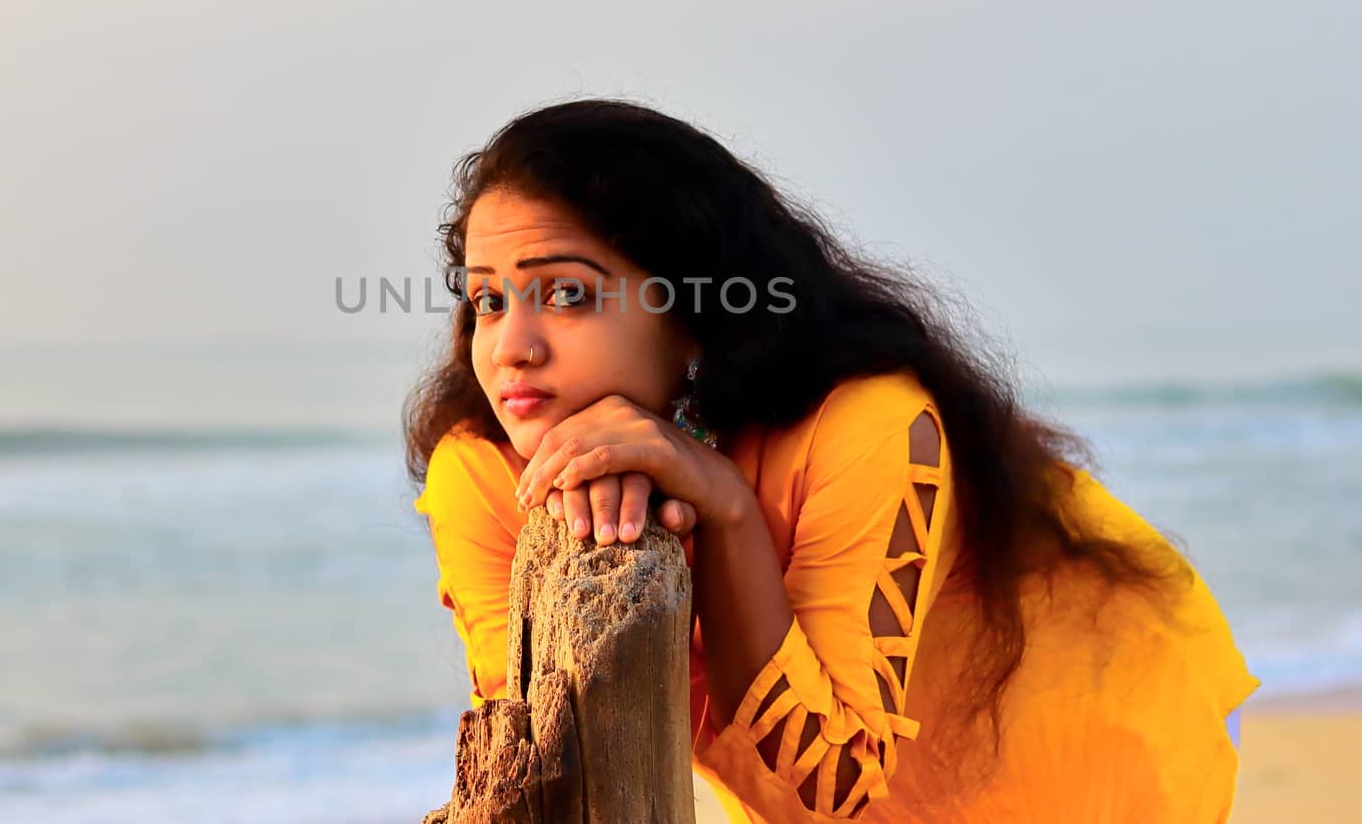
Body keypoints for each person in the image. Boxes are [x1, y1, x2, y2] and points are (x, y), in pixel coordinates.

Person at [405, 100, 1258, 821]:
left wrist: (728, 507)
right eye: (487, 298)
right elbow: (529, 763)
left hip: (1049, 769)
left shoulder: (869, 424)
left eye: (567, 293)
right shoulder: (482, 473)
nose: (510, 346)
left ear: (692, 310)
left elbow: (835, 778)